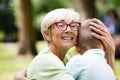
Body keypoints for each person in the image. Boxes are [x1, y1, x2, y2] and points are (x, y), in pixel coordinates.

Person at [14, 8, 116, 80]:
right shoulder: (47, 60)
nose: (68, 29)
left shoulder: (67, 59)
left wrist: (110, 53)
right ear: (47, 35)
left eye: (73, 25)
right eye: (61, 25)